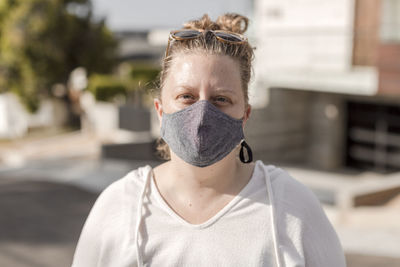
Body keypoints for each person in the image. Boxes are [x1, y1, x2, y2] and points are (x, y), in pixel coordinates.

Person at [72, 13, 346, 267]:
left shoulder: (292, 210)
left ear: (245, 115)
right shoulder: (119, 208)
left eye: (221, 100)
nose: (202, 114)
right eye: (186, 97)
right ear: (160, 111)